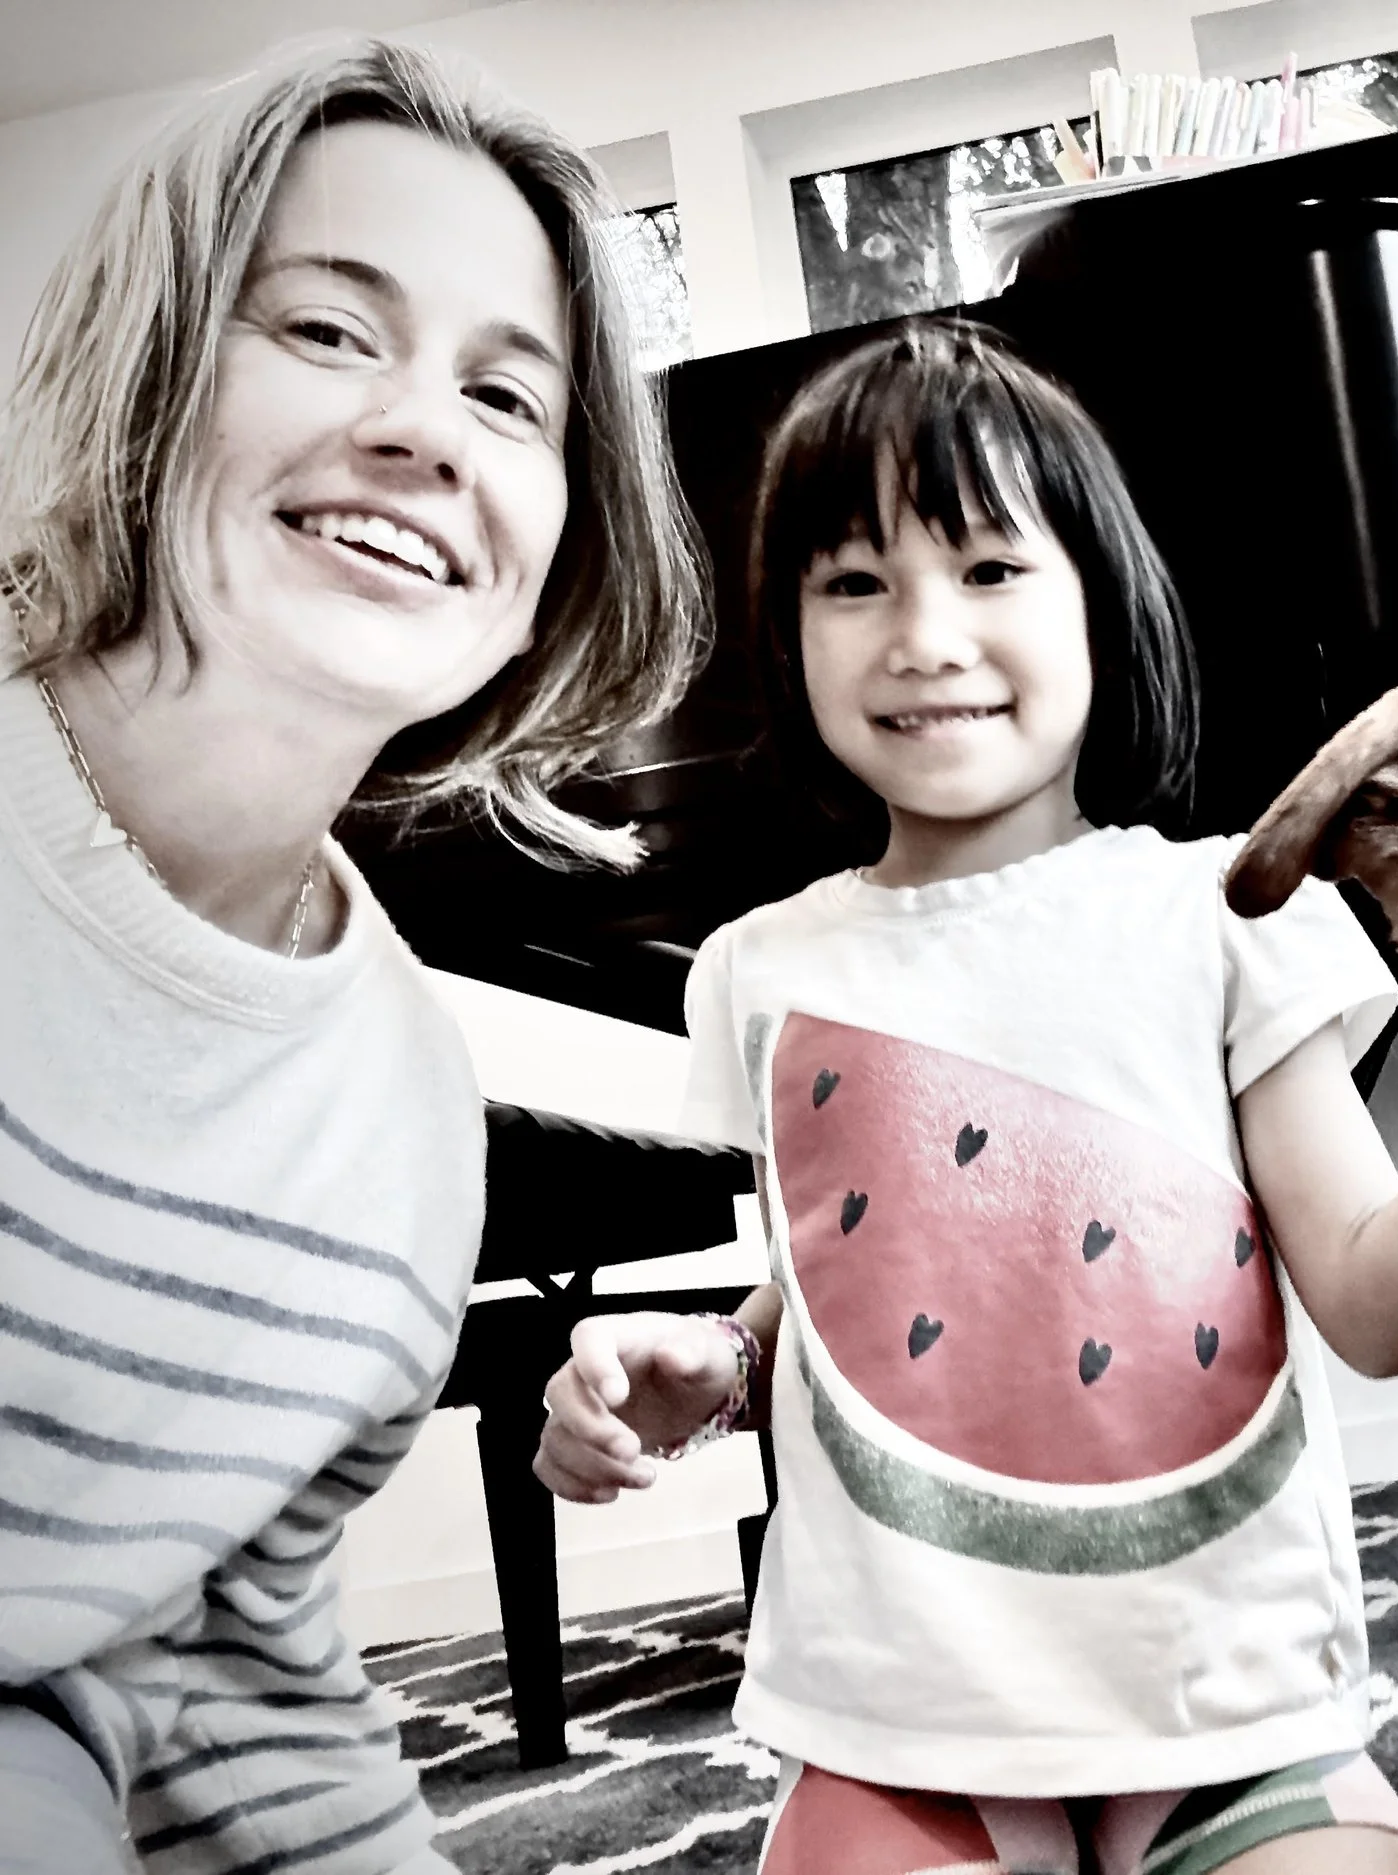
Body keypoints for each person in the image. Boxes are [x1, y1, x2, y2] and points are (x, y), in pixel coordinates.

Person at [532, 320, 1398, 1873]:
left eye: (989, 569)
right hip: (905, 1726)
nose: (922, 632)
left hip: (1227, 1713)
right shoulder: (759, 969)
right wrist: (708, 1363)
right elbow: (873, 1254)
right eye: (855, 583)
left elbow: (1377, 1299)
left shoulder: (1225, 910)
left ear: (1102, 603)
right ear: (787, 636)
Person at [0, 39, 709, 1875]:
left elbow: (230, 1679)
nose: (427, 433)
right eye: (326, 331)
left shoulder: (400, 1117)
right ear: (150, 364)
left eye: (510, 397)